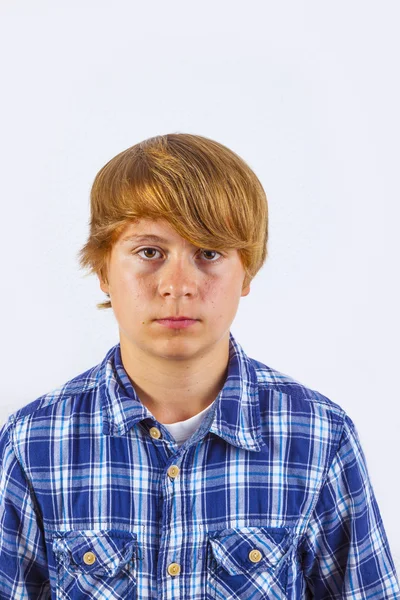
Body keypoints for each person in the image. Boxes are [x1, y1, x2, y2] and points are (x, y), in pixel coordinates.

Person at [0, 133, 398, 600]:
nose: (178, 285)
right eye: (150, 252)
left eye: (209, 253)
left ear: (246, 271)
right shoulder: (33, 443)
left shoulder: (318, 437)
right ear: (105, 270)